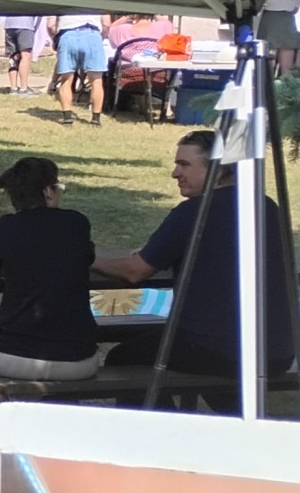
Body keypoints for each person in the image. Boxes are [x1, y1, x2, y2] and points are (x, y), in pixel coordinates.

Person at [97, 130, 297, 406]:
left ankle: (162, 428)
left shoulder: (195, 211)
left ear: (217, 169)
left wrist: (91, 260)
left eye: (184, 164)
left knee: (123, 358)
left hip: (220, 348)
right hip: (276, 351)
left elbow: (136, 271)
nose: (175, 173)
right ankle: (229, 425)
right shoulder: (265, 206)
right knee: (196, 358)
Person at [0, 158, 100, 415]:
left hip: (12, 354)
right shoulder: (77, 223)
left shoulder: (5, 226)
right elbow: (87, 258)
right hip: (79, 359)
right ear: (49, 191)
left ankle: (2, 430)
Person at [52, 13, 108, 127]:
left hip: (67, 34)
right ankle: (96, 119)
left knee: (66, 79)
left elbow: (50, 25)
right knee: (96, 81)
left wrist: (54, 39)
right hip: (92, 33)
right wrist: (100, 37)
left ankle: (67, 117)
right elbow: (107, 24)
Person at [4, 17, 39, 96]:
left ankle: (13, 87)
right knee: (25, 55)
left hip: (9, 25)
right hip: (25, 25)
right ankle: (23, 88)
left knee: (13, 55)